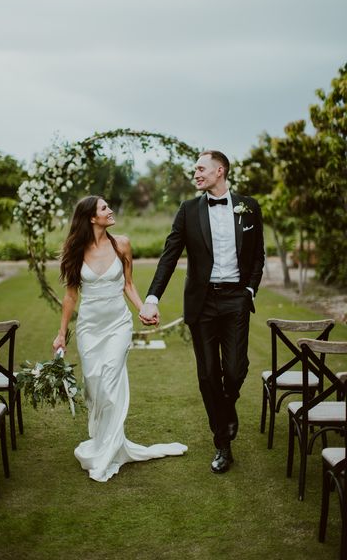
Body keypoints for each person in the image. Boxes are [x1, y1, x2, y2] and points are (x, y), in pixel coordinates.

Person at [139, 150, 265, 474]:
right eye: (194, 169)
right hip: (203, 302)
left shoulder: (248, 207)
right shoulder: (188, 210)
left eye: (201, 169)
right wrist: (152, 297)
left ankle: (228, 406)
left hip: (236, 298)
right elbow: (169, 256)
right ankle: (222, 443)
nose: (195, 174)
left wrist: (249, 289)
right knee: (209, 375)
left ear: (219, 170)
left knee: (235, 371)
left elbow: (258, 255)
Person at [52, 195, 187, 482]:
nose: (110, 210)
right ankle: (102, 441)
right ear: (91, 217)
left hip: (118, 325)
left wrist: (144, 309)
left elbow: (128, 284)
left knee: (111, 381)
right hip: (89, 328)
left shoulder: (121, 244)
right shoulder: (75, 251)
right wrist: (62, 334)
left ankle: (110, 449)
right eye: (104, 208)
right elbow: (71, 296)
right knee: (94, 385)